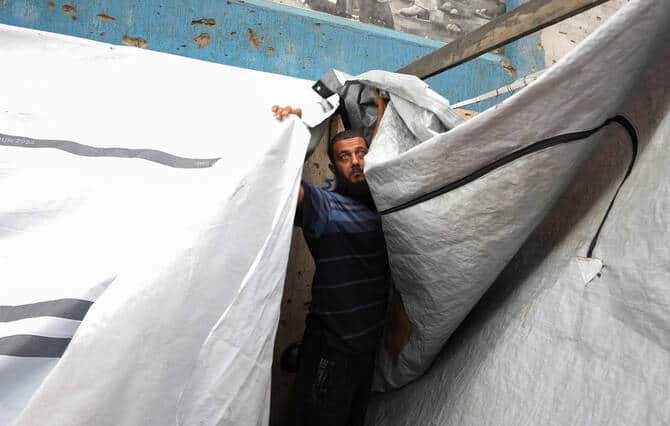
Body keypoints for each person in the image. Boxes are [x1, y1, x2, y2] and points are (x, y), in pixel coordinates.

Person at [272, 97, 389, 426]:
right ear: (334, 166)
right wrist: (304, 116)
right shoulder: (326, 205)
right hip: (331, 351)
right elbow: (282, 179)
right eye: (344, 157)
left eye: (362, 153)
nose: (356, 162)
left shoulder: (385, 210)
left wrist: (382, 111)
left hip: (366, 352)